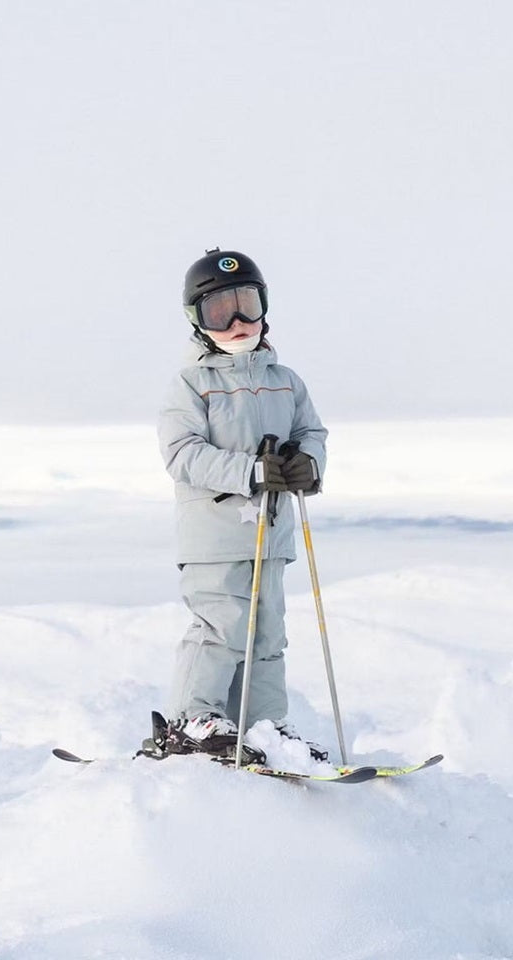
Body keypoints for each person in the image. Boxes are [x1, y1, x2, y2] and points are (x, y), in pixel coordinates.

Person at [157, 247, 329, 762]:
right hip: (215, 535)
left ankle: (264, 728)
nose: (236, 323)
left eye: (246, 306)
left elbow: (311, 433)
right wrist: (250, 472)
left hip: (270, 535)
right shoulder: (193, 383)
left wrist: (308, 464)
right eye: (219, 311)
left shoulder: (286, 381)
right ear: (198, 320)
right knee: (222, 628)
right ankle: (192, 719)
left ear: (264, 306)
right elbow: (181, 453)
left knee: (268, 636)